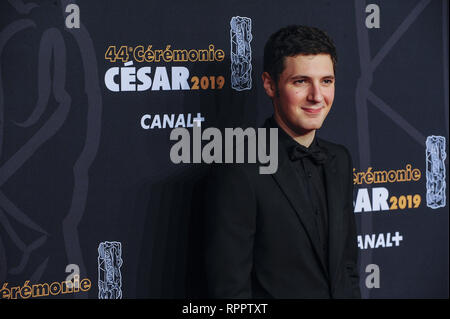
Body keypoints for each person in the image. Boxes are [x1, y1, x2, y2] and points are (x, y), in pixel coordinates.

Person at [204, 25, 361, 298]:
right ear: (269, 84)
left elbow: (347, 265)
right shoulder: (240, 169)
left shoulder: (340, 159)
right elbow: (229, 290)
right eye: (300, 81)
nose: (317, 96)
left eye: (326, 81)